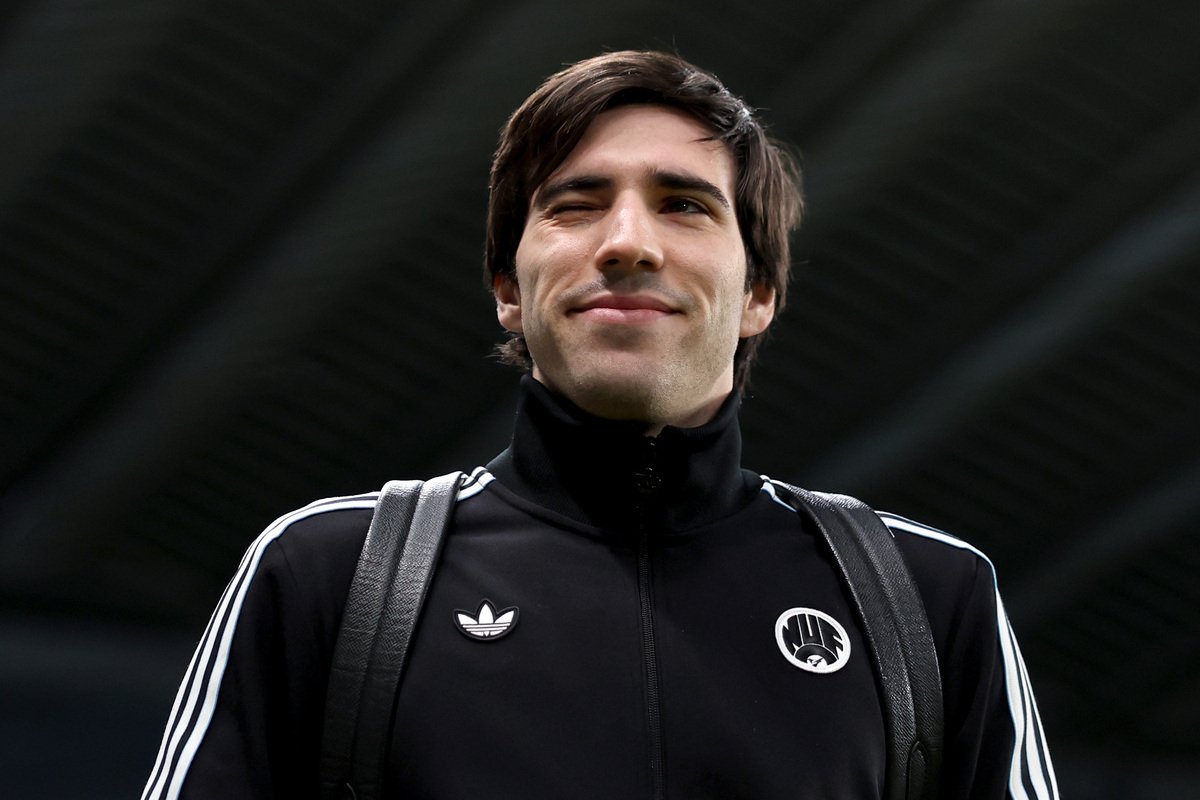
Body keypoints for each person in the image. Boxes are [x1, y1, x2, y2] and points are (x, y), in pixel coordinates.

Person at [142, 50, 1059, 800]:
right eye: (574, 205)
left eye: (684, 205)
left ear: (760, 293)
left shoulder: (929, 597)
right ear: (508, 288)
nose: (627, 243)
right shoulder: (328, 575)